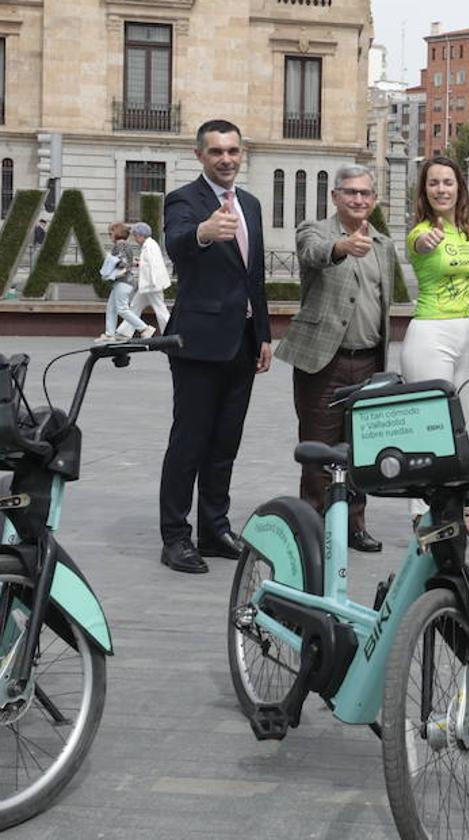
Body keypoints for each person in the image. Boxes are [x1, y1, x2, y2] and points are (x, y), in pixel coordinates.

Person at [159, 119, 271, 575]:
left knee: (225, 442)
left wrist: (263, 333)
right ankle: (175, 536)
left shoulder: (251, 204)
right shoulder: (184, 200)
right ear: (199, 155)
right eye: (216, 152)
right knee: (190, 442)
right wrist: (204, 232)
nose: (226, 159)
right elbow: (177, 243)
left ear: (242, 154)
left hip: (242, 343)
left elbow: (255, 276)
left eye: (233, 151)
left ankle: (214, 527)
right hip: (198, 344)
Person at [275, 164, 394, 553]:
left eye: (365, 194)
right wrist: (342, 248)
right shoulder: (315, 230)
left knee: (360, 448)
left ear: (374, 200)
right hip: (323, 362)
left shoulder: (382, 243)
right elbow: (313, 255)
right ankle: (312, 528)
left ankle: (354, 525)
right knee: (319, 448)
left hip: (368, 362)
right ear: (335, 197)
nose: (358, 200)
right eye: (350, 193)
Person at [402, 155, 469, 545]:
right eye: (434, 183)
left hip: (468, 335)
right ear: (425, 191)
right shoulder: (419, 232)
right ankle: (424, 515)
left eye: (448, 182)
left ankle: (465, 511)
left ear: (460, 188)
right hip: (431, 334)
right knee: (430, 428)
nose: (442, 189)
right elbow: (419, 248)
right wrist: (426, 241)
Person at [97, 222, 155, 343]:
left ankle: (144, 328)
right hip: (124, 281)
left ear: (117, 233)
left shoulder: (120, 245)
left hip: (123, 281)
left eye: (110, 232)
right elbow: (128, 262)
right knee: (111, 308)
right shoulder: (126, 245)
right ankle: (109, 334)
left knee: (122, 309)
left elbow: (123, 262)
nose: (109, 235)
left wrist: (112, 262)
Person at [115, 222, 172, 337]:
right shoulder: (150, 245)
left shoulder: (149, 246)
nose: (135, 239)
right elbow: (150, 263)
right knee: (136, 306)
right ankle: (124, 332)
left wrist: (138, 264)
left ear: (141, 235)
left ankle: (170, 331)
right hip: (150, 285)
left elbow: (152, 265)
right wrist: (139, 262)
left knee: (159, 309)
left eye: (135, 236)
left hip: (151, 285)